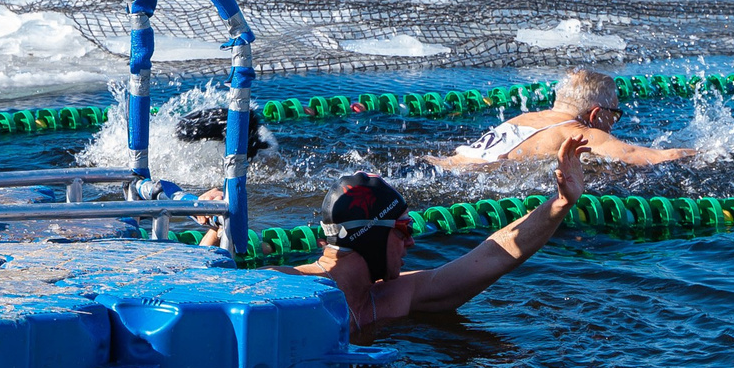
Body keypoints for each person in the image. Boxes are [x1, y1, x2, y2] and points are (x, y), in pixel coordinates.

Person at [208, 134, 588, 337]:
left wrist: (560, 203)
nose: (411, 243)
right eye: (403, 230)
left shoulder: (395, 295)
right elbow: (204, 292)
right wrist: (211, 229)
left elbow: (492, 255)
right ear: (371, 235)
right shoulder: (287, 285)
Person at [432, 67, 693, 167]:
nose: (615, 121)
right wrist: (715, 154)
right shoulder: (581, 132)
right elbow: (650, 158)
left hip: (442, 164)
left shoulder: (525, 117)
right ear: (595, 113)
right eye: (615, 113)